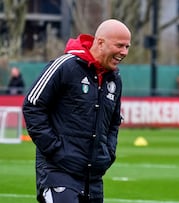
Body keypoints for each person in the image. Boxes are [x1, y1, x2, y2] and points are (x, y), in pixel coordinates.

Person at [22, 19, 131, 203]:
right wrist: (56, 150)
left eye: (128, 46)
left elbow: (113, 122)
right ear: (100, 42)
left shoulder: (114, 79)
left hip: (93, 178)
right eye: (120, 45)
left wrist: (107, 154)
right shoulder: (65, 66)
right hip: (58, 173)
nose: (124, 52)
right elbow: (32, 105)